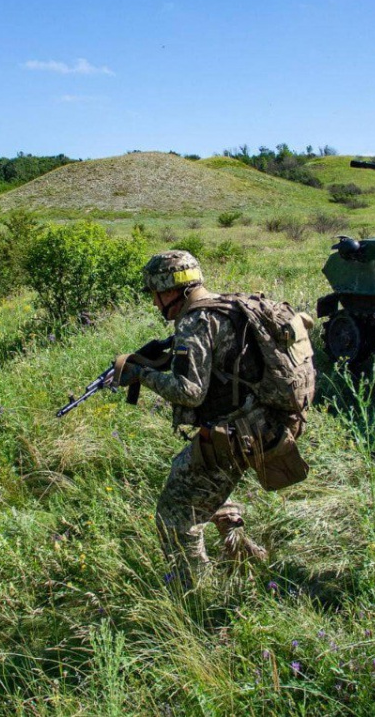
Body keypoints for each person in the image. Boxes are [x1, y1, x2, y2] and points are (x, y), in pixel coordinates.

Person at [117, 251, 315, 588]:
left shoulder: (195, 322)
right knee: (205, 483)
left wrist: (139, 373)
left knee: (176, 510)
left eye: (155, 293)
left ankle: (193, 589)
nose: (153, 302)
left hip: (238, 433)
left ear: (171, 290)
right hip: (263, 421)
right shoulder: (224, 305)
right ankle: (241, 551)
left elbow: (189, 391)